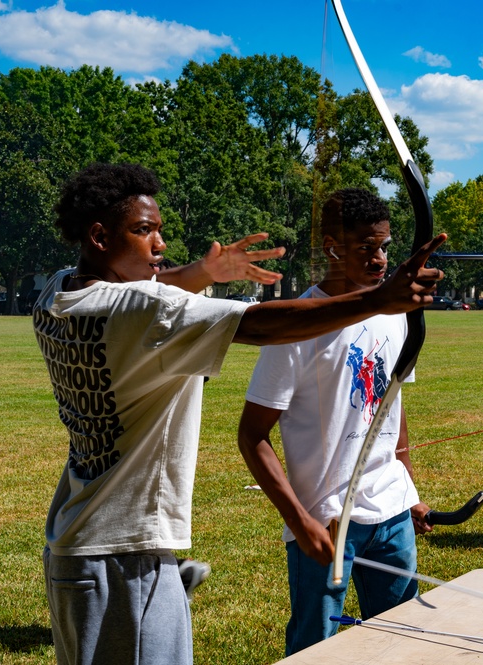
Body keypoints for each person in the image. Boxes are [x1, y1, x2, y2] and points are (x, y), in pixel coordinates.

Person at [34, 163, 445, 665]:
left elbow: (152, 289)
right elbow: (260, 325)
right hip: (126, 556)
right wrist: (380, 300)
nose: (161, 244)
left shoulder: (56, 293)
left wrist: (204, 273)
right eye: (144, 232)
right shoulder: (147, 312)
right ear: (100, 236)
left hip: (76, 546)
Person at [238, 188, 433, 654]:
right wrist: (300, 520)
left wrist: (410, 491)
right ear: (333, 249)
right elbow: (252, 435)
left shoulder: (397, 314)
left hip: (390, 510)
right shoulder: (296, 326)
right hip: (326, 521)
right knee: (314, 645)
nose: (380, 258)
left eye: (385, 246)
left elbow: (390, 405)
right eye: (366, 247)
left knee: (401, 639)